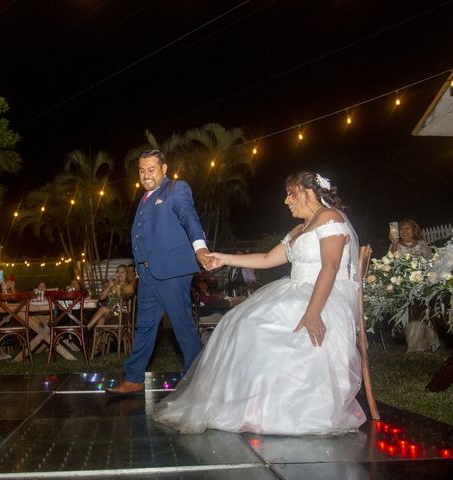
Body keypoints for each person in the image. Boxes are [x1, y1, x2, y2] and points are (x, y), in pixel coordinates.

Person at [153, 171, 366, 435]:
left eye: (291, 193)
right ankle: (249, 406)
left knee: (264, 328)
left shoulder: (329, 219)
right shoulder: (299, 229)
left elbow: (330, 267)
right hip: (296, 289)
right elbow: (266, 258)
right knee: (240, 321)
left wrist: (313, 312)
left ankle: (282, 409)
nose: (286, 201)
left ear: (308, 192)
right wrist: (224, 259)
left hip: (323, 294)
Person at [107, 149, 211, 395]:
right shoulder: (144, 198)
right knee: (143, 327)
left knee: (182, 326)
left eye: (151, 169)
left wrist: (200, 248)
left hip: (172, 272)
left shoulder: (176, 189)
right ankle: (133, 378)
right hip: (148, 275)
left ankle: (198, 381)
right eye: (142, 171)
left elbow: (189, 217)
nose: (146, 175)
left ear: (164, 169)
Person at [388, 219, 439, 352]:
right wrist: (394, 245)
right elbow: (390, 262)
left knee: (424, 311)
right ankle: (414, 344)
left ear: (414, 230)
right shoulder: (396, 246)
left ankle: (430, 343)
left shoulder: (422, 245)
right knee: (410, 313)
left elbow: (430, 263)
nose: (404, 231)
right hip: (404, 286)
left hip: (422, 284)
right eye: (402, 229)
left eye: (408, 228)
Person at [87, 265, 134, 330]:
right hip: (110, 312)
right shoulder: (113, 285)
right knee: (101, 319)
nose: (119, 274)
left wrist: (118, 286)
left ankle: (86, 328)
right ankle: (99, 339)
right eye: (118, 272)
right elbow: (102, 298)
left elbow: (121, 298)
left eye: (122, 272)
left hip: (122, 314)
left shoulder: (129, 286)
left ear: (126, 274)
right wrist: (109, 286)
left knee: (103, 309)